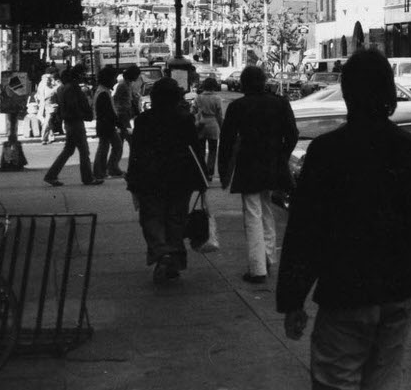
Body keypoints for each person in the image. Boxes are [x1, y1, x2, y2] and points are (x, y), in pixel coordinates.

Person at [277, 49, 411, 390]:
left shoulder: (326, 151)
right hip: (399, 294)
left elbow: (305, 231)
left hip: (345, 293)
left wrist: (293, 299)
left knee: (335, 381)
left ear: (348, 92)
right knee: (384, 380)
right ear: (389, 91)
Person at [219, 64, 299, 283]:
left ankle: (258, 268)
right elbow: (292, 134)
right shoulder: (280, 103)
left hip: (248, 165)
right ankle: (268, 258)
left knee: (253, 214)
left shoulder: (238, 106)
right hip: (273, 164)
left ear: (244, 83)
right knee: (266, 211)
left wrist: (223, 170)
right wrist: (282, 155)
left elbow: (226, 141)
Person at [125, 77, 207, 283]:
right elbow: (195, 150)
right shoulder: (184, 118)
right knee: (176, 219)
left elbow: (135, 152)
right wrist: (202, 177)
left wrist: (132, 179)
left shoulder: (143, 120)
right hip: (180, 177)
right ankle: (173, 259)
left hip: (149, 177)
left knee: (152, 218)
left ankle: (162, 253)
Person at [43, 65, 99, 187]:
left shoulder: (63, 88)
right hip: (75, 122)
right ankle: (87, 178)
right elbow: (73, 107)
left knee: (69, 150)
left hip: (70, 122)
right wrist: (85, 115)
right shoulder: (71, 88)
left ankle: (51, 175)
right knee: (83, 151)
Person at [91, 65, 124, 180]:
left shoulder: (103, 90)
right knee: (110, 147)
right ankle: (104, 170)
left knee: (109, 147)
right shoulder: (103, 93)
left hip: (105, 124)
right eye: (113, 78)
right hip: (106, 124)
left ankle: (106, 169)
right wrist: (117, 122)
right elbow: (108, 111)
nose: (115, 81)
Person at [192, 76, 225, 181]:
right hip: (213, 124)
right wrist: (221, 126)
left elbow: (193, 111)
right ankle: (210, 173)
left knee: (201, 150)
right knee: (212, 150)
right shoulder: (217, 98)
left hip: (201, 124)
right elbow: (219, 115)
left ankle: (202, 172)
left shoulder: (198, 97)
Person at [114, 64, 143, 154]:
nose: (137, 77)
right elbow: (115, 99)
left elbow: (131, 100)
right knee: (131, 139)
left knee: (121, 141)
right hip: (122, 114)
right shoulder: (122, 85)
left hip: (125, 114)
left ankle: (113, 164)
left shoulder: (128, 84)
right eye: (136, 75)